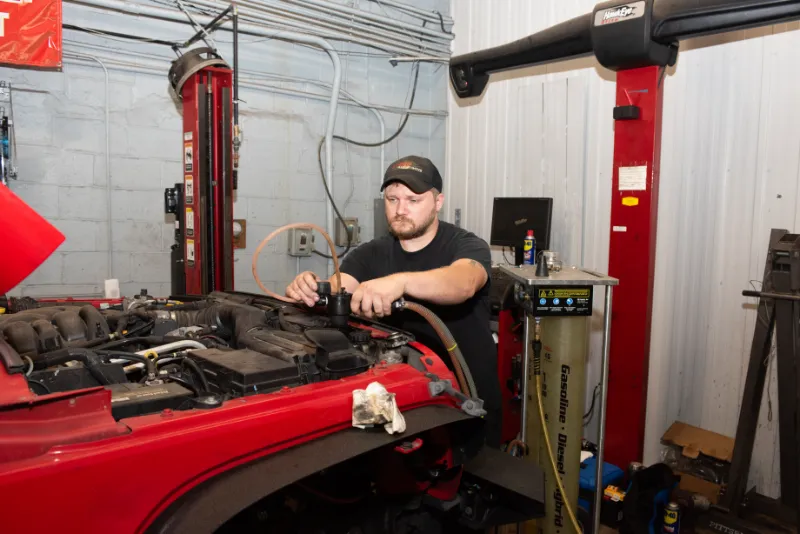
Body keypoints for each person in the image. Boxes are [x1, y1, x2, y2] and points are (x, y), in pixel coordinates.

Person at [286, 156, 502, 447]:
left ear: (438, 202)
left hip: (464, 400)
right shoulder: (370, 254)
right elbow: (339, 288)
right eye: (392, 199)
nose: (400, 210)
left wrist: (400, 282)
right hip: (400, 400)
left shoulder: (466, 245)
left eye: (413, 200)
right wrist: (311, 287)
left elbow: (463, 283)